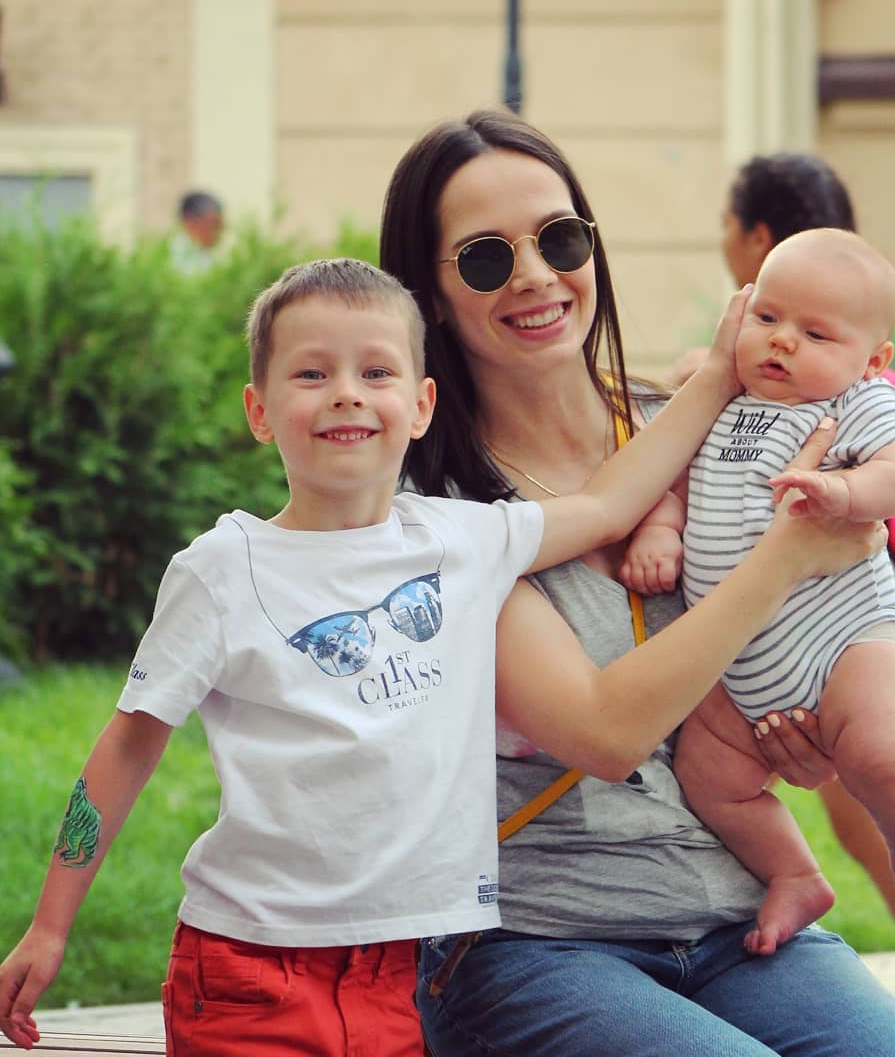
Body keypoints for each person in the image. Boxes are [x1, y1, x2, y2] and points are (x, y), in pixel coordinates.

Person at [0, 256, 813, 1055]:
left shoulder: (461, 540)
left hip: (405, 972)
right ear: (258, 410)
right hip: (249, 964)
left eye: (376, 371)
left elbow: (608, 504)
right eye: (311, 373)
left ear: (421, 405)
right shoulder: (221, 570)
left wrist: (716, 376)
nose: (346, 392)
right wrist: (49, 926)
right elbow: (129, 744)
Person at [380, 108, 895, 1055]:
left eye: (560, 239)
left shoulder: (703, 421)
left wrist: (807, 727)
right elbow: (605, 733)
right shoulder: (429, 509)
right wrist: (783, 558)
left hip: (733, 915)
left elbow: (839, 591)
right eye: (484, 257)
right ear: (429, 295)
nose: (536, 275)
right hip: (537, 938)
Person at [623, 227, 895, 955]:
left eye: (816, 333)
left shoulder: (856, 402)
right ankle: (794, 873)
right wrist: (661, 531)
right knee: (710, 779)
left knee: (889, 754)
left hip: (845, 644)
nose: (782, 341)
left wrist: (847, 491)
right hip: (737, 670)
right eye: (767, 317)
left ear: (873, 360)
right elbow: (673, 480)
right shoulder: (719, 401)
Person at [168, 190, 224, 274]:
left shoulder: (206, 255)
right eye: (214, 226)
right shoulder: (174, 255)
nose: (219, 233)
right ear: (191, 223)